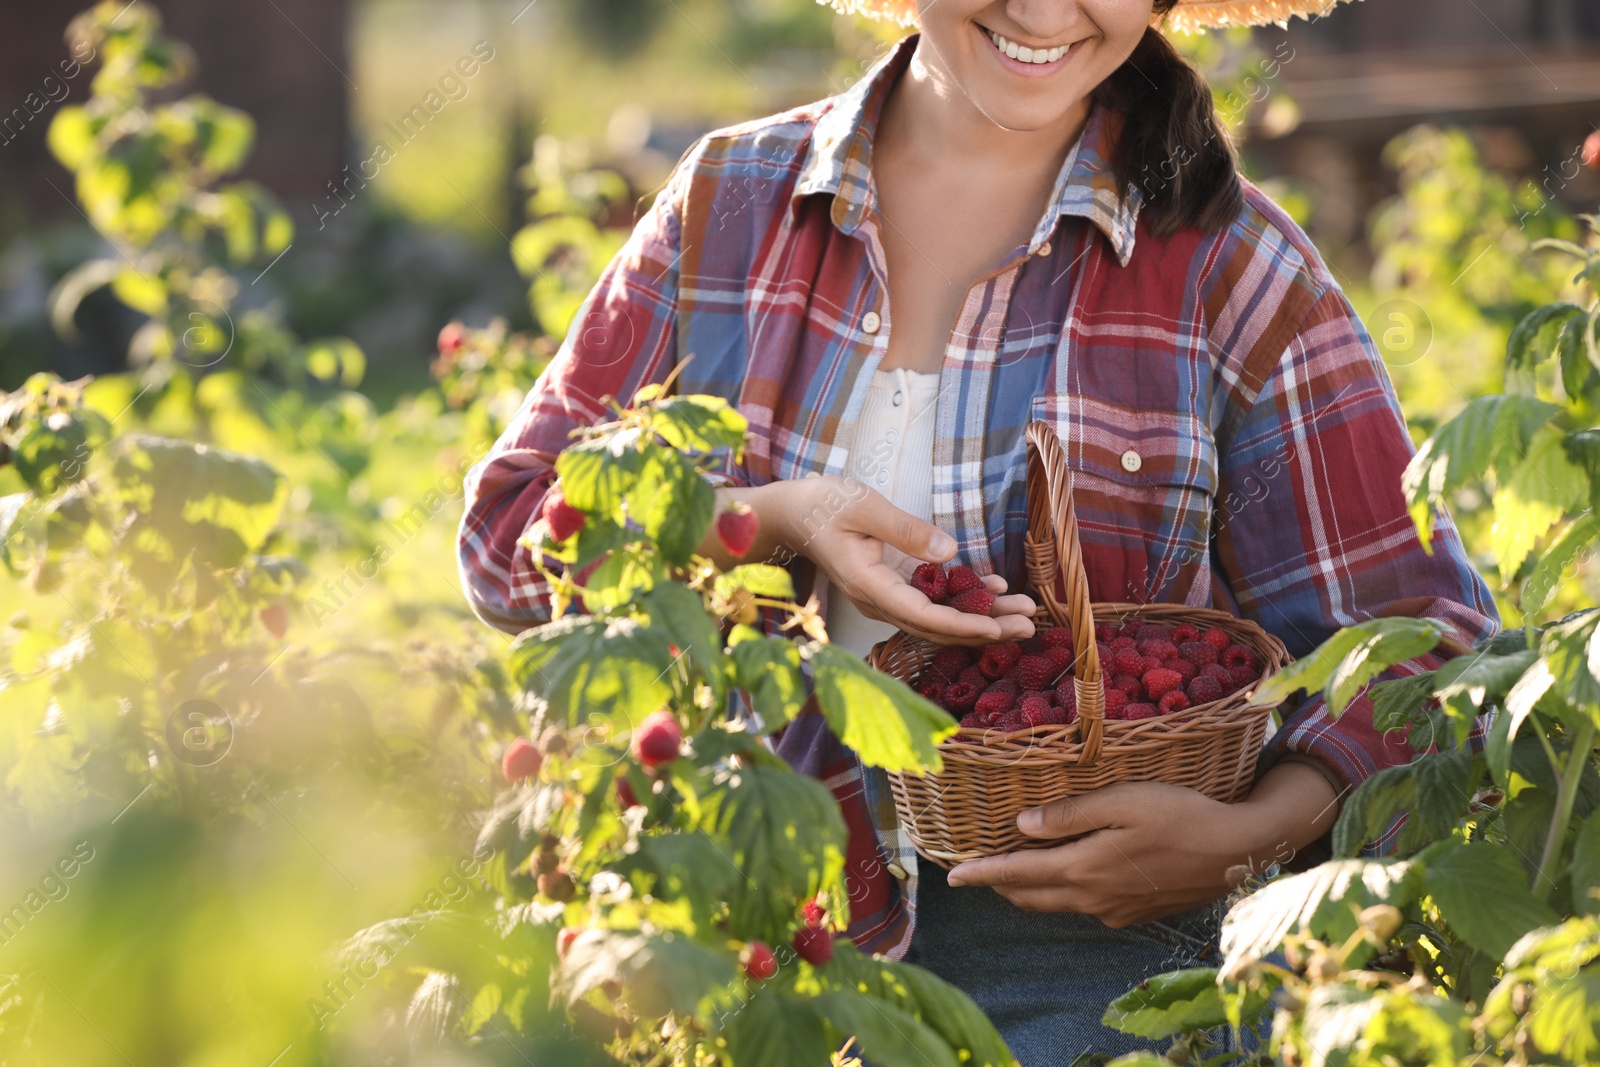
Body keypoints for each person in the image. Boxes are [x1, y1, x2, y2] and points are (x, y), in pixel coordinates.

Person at [457, 0, 1498, 1058]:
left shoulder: (1231, 269)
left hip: (1086, 948)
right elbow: (511, 547)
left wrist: (1247, 835)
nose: (1043, 12)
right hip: (746, 920)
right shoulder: (732, 206)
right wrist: (772, 520)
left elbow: (1429, 640)